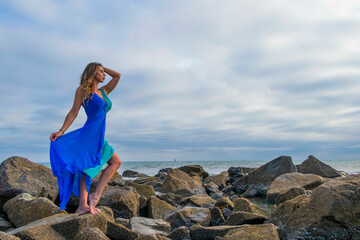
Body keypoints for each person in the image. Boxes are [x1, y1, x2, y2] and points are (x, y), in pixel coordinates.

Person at [49, 62, 122, 215]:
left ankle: (95, 195)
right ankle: (83, 204)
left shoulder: (104, 91)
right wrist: (61, 131)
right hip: (89, 135)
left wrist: (102, 66)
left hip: (98, 136)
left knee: (115, 162)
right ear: (93, 72)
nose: (104, 75)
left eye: (103, 72)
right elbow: (74, 112)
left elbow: (117, 76)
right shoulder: (83, 90)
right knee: (86, 170)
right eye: (101, 72)